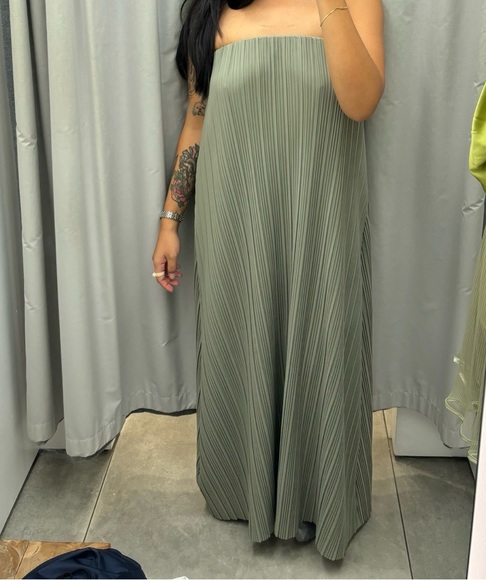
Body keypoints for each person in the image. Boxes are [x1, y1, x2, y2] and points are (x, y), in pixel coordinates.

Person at [151, 0, 384, 561]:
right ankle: (244, 489)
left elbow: (359, 103)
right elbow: (197, 121)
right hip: (236, 217)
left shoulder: (353, 3)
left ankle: (317, 495)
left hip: (321, 214)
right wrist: (170, 220)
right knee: (241, 341)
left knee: (323, 345)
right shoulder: (213, 13)